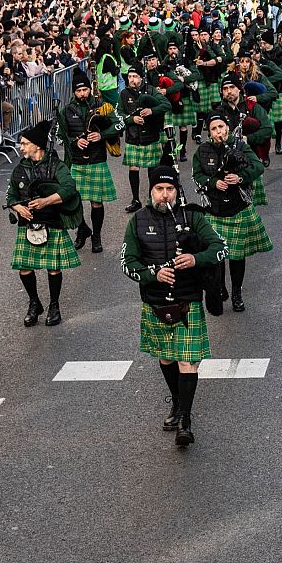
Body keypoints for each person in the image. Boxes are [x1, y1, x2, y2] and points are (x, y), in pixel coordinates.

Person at [120, 165, 227, 447]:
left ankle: (186, 420)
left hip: (187, 299)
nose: (164, 195)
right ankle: (178, 402)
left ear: (177, 191)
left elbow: (220, 247)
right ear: (151, 191)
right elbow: (127, 263)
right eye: (159, 189)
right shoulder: (138, 221)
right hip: (155, 302)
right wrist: (152, 274)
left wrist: (195, 259)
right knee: (166, 358)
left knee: (187, 361)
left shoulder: (192, 216)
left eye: (169, 189)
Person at [192, 113, 271, 314]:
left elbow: (258, 166)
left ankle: (237, 293)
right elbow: (197, 175)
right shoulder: (202, 151)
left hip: (238, 208)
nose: (219, 132)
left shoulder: (240, 146)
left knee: (237, 256)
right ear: (209, 132)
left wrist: (240, 177)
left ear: (227, 127)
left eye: (221, 127)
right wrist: (212, 182)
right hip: (214, 210)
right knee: (218, 255)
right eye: (214, 129)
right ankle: (221, 287)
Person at [6, 120, 81, 328]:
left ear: (37, 145)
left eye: (24, 143)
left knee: (53, 268)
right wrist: (16, 206)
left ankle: (54, 305)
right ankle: (34, 302)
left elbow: (69, 188)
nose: (21, 147)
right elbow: (10, 193)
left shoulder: (56, 166)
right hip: (27, 225)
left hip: (52, 223)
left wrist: (46, 201)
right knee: (24, 268)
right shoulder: (19, 169)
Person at [56, 75, 122, 253]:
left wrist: (102, 135)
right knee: (74, 201)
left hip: (96, 159)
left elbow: (119, 125)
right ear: (74, 92)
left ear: (90, 89)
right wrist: (74, 141)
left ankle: (97, 236)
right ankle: (82, 229)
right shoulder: (67, 110)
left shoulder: (101, 106)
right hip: (76, 161)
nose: (82, 93)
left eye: (85, 89)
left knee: (96, 203)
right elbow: (60, 135)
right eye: (78, 91)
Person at [119, 64, 174, 212]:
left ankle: (151, 199)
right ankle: (135, 200)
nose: (132, 79)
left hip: (151, 134)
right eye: (130, 77)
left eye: (135, 76)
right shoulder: (124, 94)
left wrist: (152, 110)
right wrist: (131, 120)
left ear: (141, 78)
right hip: (133, 137)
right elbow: (119, 115)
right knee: (134, 168)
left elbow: (167, 105)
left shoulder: (151, 90)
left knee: (152, 169)